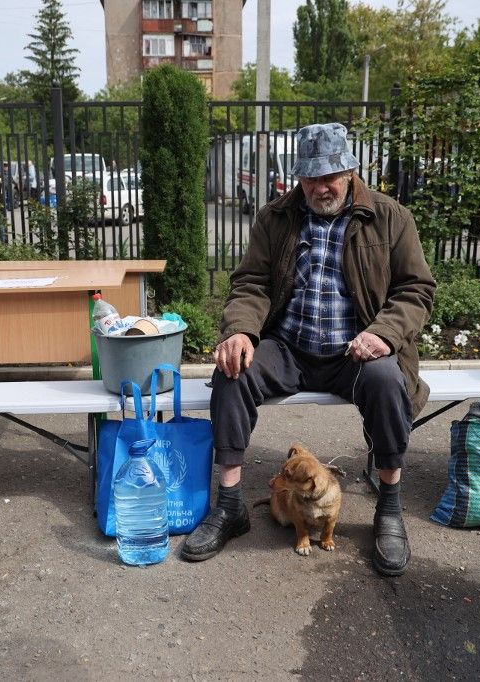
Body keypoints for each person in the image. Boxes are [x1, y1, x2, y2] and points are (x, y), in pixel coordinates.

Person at [179, 122, 436, 577]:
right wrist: (239, 331)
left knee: (387, 381)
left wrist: (384, 333)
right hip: (290, 346)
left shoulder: (391, 217)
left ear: (349, 171)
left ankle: (389, 511)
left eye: (330, 177)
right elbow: (251, 283)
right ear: (297, 176)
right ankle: (231, 507)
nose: (320, 187)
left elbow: (415, 290)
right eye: (310, 178)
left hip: (356, 350)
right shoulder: (275, 216)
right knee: (232, 373)